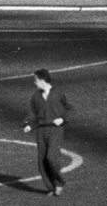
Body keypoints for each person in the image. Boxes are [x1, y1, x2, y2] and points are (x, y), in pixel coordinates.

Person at [23, 69, 72, 197]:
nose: (34, 83)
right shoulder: (36, 96)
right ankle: (51, 187)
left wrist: (62, 118)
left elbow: (70, 108)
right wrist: (28, 124)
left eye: (36, 80)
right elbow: (32, 113)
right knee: (42, 160)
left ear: (42, 80)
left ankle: (59, 182)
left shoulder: (58, 94)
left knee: (51, 157)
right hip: (41, 130)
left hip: (55, 130)